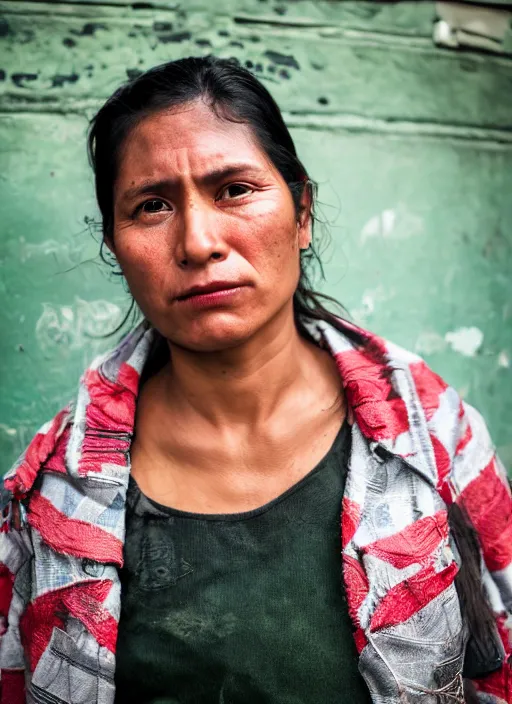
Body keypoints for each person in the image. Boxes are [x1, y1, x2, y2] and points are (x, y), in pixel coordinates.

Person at [0, 56, 510, 704]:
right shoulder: (49, 494)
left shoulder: (433, 434)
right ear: (115, 245)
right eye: (151, 206)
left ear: (302, 214)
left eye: (235, 189)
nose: (199, 241)